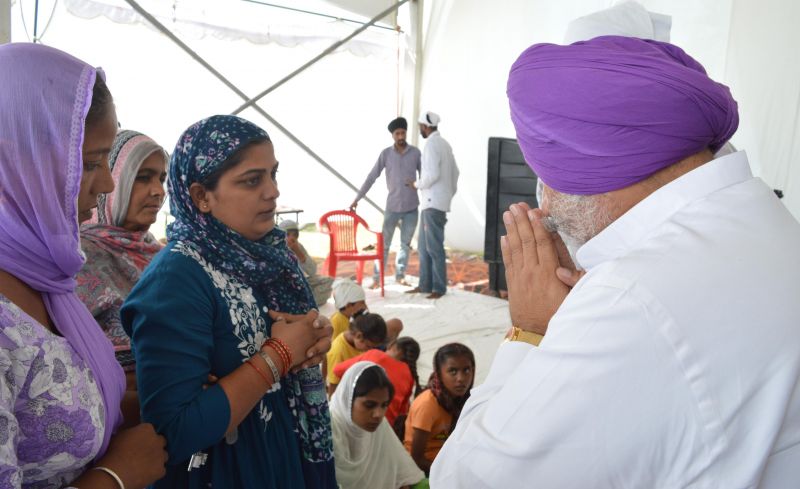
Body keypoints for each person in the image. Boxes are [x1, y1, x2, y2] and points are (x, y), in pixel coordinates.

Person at [431, 36, 800, 488]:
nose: (543, 205)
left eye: (543, 177)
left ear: (582, 170)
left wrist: (531, 330)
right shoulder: (762, 214)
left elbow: (470, 479)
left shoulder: (627, 301)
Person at [120, 115, 336, 488]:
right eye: (252, 180)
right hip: (221, 471)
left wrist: (313, 336)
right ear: (201, 196)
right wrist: (279, 355)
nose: (272, 192)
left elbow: (292, 336)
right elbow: (173, 431)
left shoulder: (268, 258)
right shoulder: (175, 281)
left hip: (279, 451)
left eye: (273, 174)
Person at [0, 43, 167, 489]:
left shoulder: (48, 275)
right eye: (90, 163)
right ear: (16, 162)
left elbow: (67, 407)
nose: (108, 183)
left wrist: (162, 395)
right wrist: (115, 477)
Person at [76, 130, 168, 381]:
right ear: (112, 180)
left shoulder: (165, 258)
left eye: (161, 178)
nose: (158, 190)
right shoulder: (76, 259)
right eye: (143, 177)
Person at [330, 361, 427, 489]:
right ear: (347, 399)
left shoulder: (379, 427)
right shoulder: (328, 429)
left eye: (384, 405)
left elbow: (402, 474)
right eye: (369, 405)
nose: (378, 414)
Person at [350, 117, 422, 287]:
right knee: (384, 245)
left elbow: (426, 176)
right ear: (392, 136)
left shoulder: (416, 153)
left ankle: (400, 275)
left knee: (405, 244)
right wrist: (357, 198)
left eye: (403, 132)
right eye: (397, 133)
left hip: (412, 207)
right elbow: (371, 177)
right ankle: (377, 278)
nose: (401, 136)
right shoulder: (386, 154)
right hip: (393, 206)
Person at [405, 111, 459, 299]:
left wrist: (415, 184)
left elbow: (432, 175)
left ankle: (438, 288)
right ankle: (425, 285)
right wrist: (448, 195)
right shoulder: (444, 144)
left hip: (432, 202)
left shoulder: (431, 145)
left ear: (426, 127)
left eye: (421, 127)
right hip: (436, 202)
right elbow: (456, 173)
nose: (420, 130)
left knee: (433, 247)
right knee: (423, 247)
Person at [404, 343, 474, 475]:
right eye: (453, 371)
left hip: (447, 459)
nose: (461, 378)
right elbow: (417, 459)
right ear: (439, 374)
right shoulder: (427, 405)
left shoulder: (465, 399)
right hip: (423, 469)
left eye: (466, 370)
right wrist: (452, 473)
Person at [333, 336, 421, 426]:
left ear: (392, 346)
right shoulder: (410, 376)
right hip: (387, 426)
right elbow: (402, 411)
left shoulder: (375, 355)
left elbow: (337, 370)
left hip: (359, 421)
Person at [327, 313, 387, 394]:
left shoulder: (356, 342)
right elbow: (333, 385)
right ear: (359, 336)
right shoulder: (337, 352)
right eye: (369, 346)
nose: (370, 350)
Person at [278, 219, 333, 307]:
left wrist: (298, 252)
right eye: (287, 234)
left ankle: (307, 303)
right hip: (288, 285)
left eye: (294, 235)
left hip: (303, 281)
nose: (291, 238)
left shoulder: (298, 246)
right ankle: (304, 302)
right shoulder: (276, 249)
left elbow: (312, 271)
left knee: (329, 280)